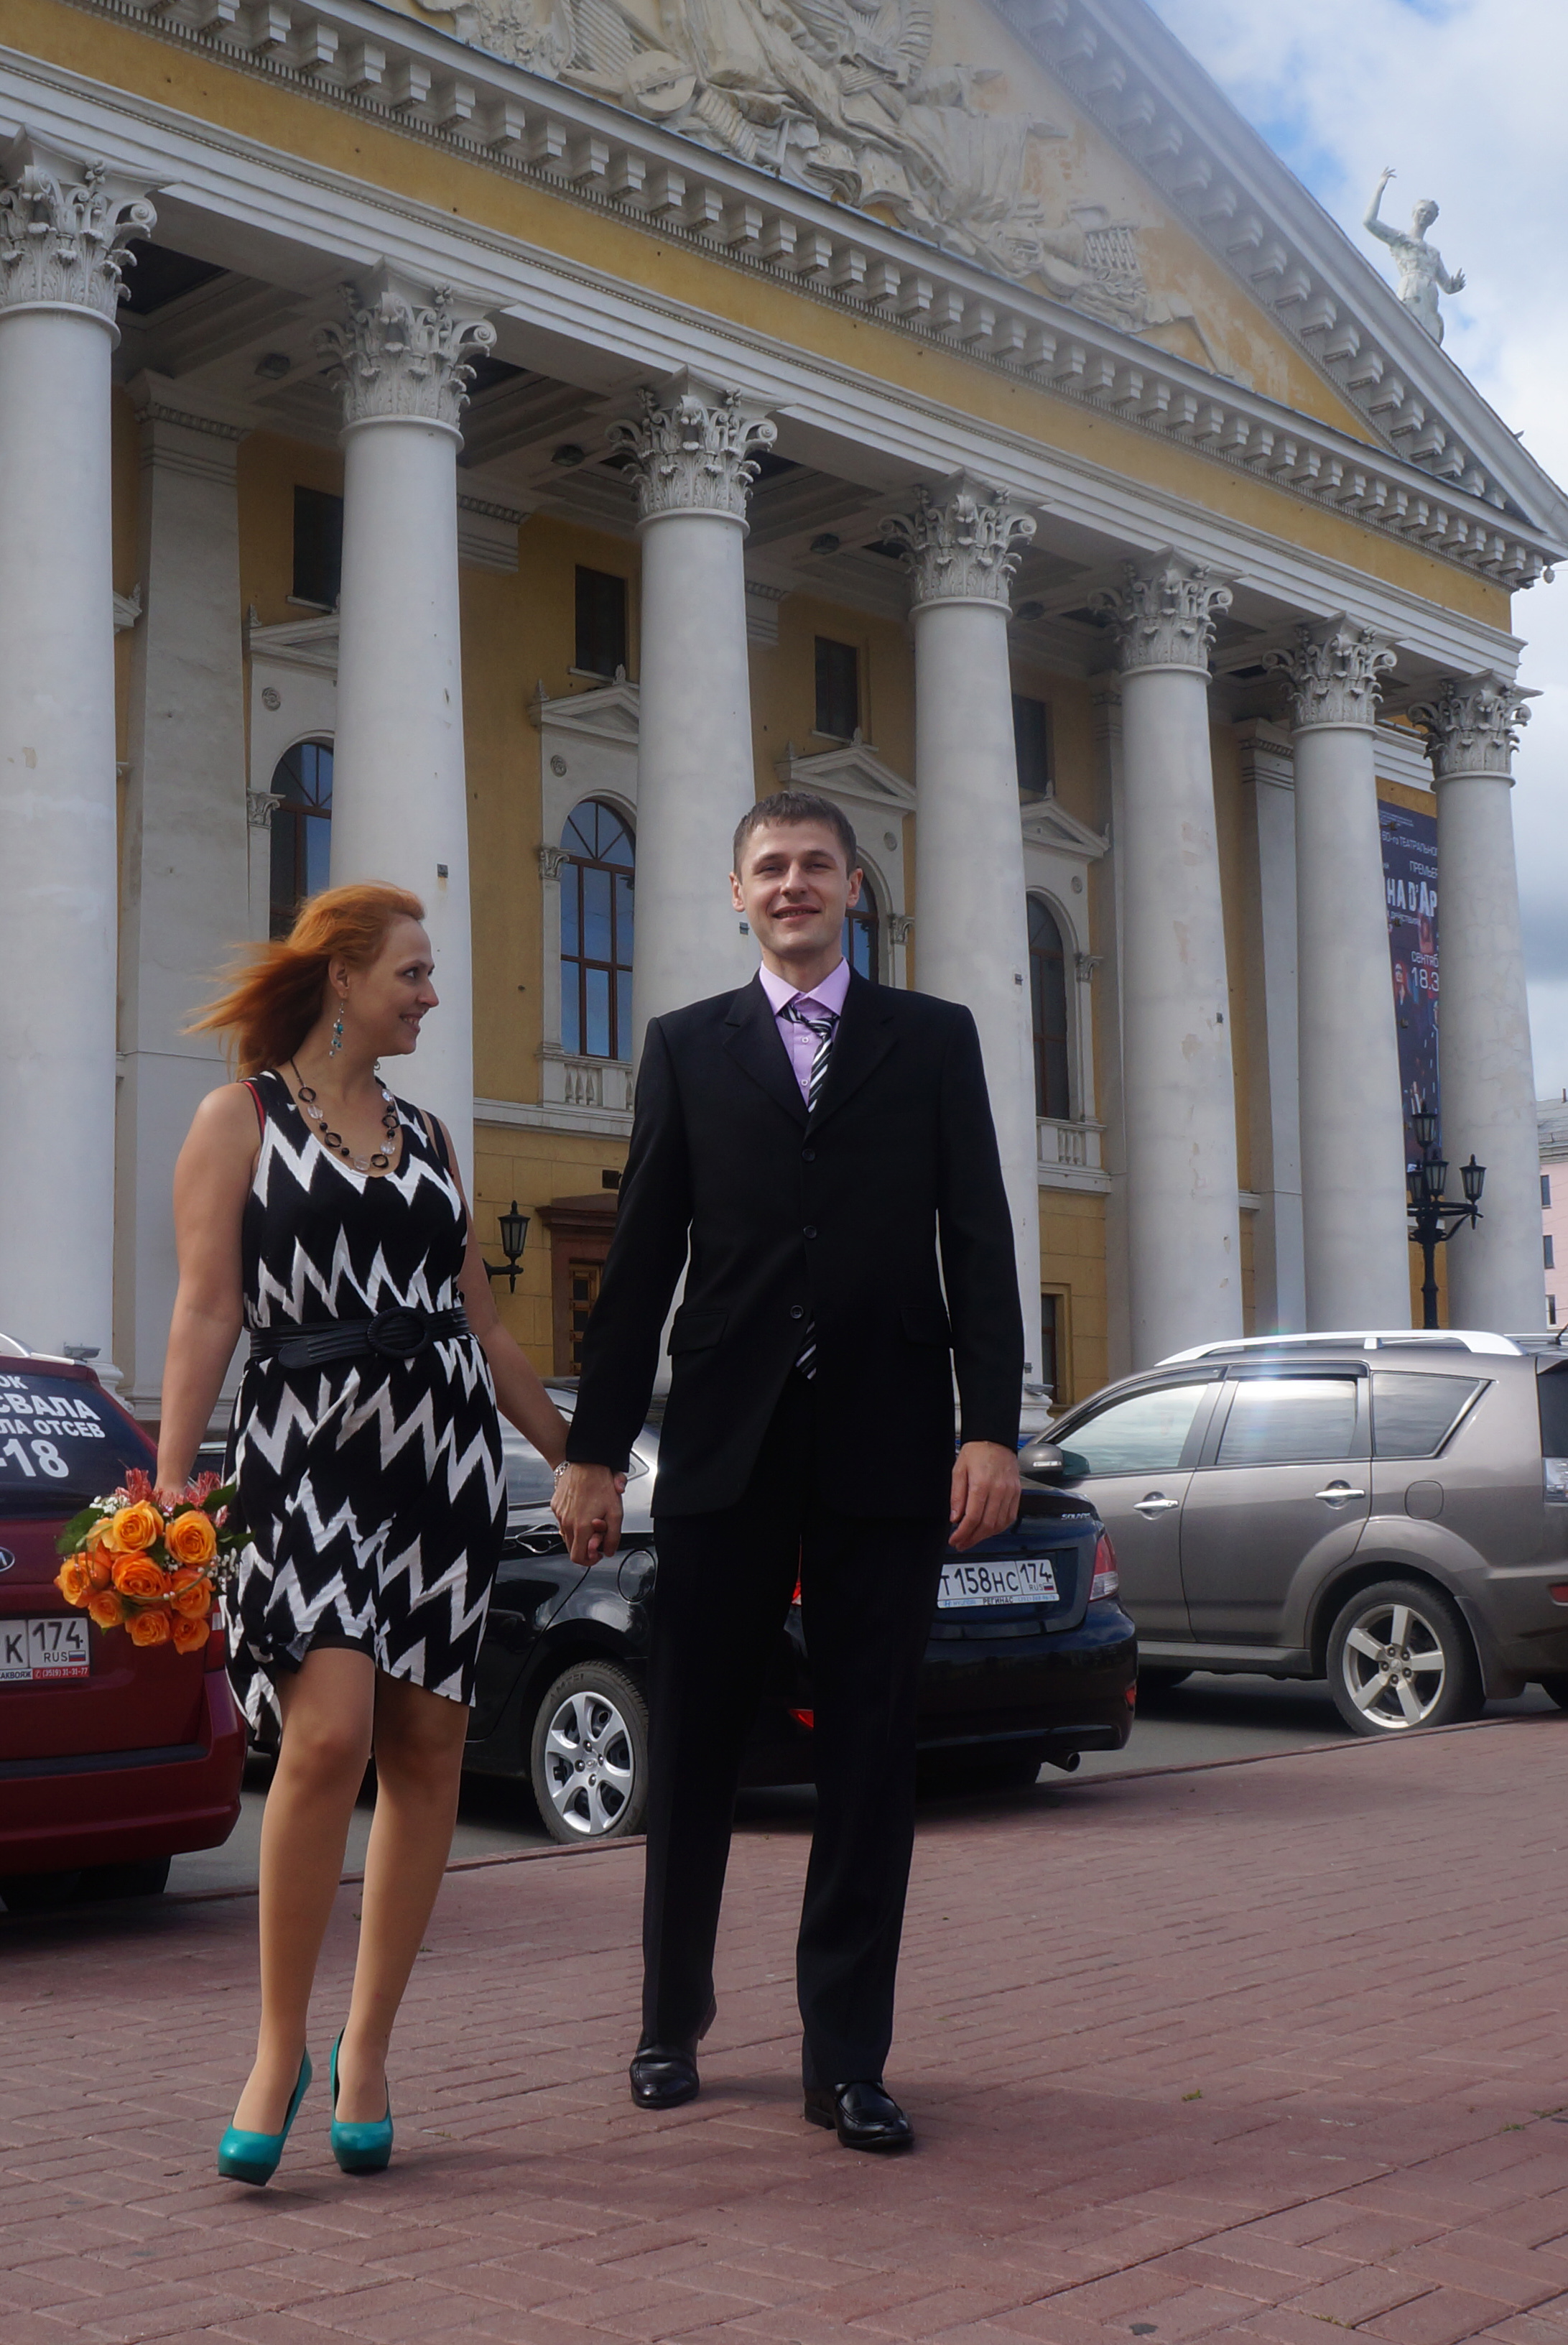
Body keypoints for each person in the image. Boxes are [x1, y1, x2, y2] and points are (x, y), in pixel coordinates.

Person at [554, 790, 1023, 2154]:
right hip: (726, 1444)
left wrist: (989, 1426)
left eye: (818, 864)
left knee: (870, 1756)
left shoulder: (933, 1039)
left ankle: (847, 2058)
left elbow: (980, 1239)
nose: (794, 884)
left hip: (888, 1441)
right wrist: (594, 1454)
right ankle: (669, 2019)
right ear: (738, 893)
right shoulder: (685, 1047)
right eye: (771, 867)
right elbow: (642, 1261)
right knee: (696, 1740)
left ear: (856, 887)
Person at [158, 882, 570, 2186]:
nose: (432, 996)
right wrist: (170, 1485)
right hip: (305, 1455)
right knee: (328, 1736)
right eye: (413, 973)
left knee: (429, 1748)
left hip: (442, 1463)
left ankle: (370, 2050)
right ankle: (277, 2048)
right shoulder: (239, 1120)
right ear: (342, 976)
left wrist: (580, 1458)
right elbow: (207, 1309)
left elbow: (486, 1328)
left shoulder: (432, 1138)